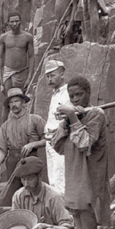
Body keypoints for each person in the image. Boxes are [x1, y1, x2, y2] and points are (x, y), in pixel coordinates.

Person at [53, 76, 111, 229]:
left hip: (89, 186)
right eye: (72, 96)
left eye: (79, 95)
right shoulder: (76, 117)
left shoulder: (96, 114)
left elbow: (85, 143)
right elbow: (57, 146)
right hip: (74, 185)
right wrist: (66, 121)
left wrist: (72, 117)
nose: (76, 99)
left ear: (88, 93)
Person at [0, 88, 46, 205]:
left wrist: (32, 144)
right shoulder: (5, 126)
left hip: (31, 160)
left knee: (34, 191)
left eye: (16, 101)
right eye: (11, 102)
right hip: (13, 162)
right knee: (14, 194)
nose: (13, 105)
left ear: (23, 102)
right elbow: (2, 148)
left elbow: (49, 139)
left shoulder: (35, 119)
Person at [43, 60, 70, 191]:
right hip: (49, 139)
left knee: (61, 178)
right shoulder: (54, 94)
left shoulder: (68, 93)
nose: (49, 79)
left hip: (59, 139)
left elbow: (67, 118)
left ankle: (63, 210)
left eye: (52, 75)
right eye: (47, 76)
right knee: (52, 179)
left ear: (62, 74)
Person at [0, 11, 35, 94]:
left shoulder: (27, 37)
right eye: (12, 21)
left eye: (17, 21)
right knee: (8, 95)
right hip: (8, 71)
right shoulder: (4, 37)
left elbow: (31, 56)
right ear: (8, 23)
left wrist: (29, 76)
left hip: (22, 71)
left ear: (20, 21)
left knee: (21, 96)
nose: (14, 24)